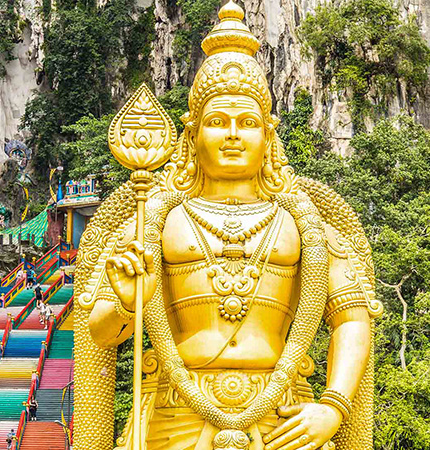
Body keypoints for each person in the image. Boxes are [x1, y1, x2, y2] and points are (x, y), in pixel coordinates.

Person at [75, 3, 378, 448]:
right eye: (217, 121)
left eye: (247, 122)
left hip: (284, 416)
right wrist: (125, 302)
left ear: (268, 134)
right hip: (173, 413)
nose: (233, 134)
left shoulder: (303, 221)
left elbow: (352, 317)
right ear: (192, 133)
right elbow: (99, 333)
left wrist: (332, 406)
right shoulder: (153, 219)